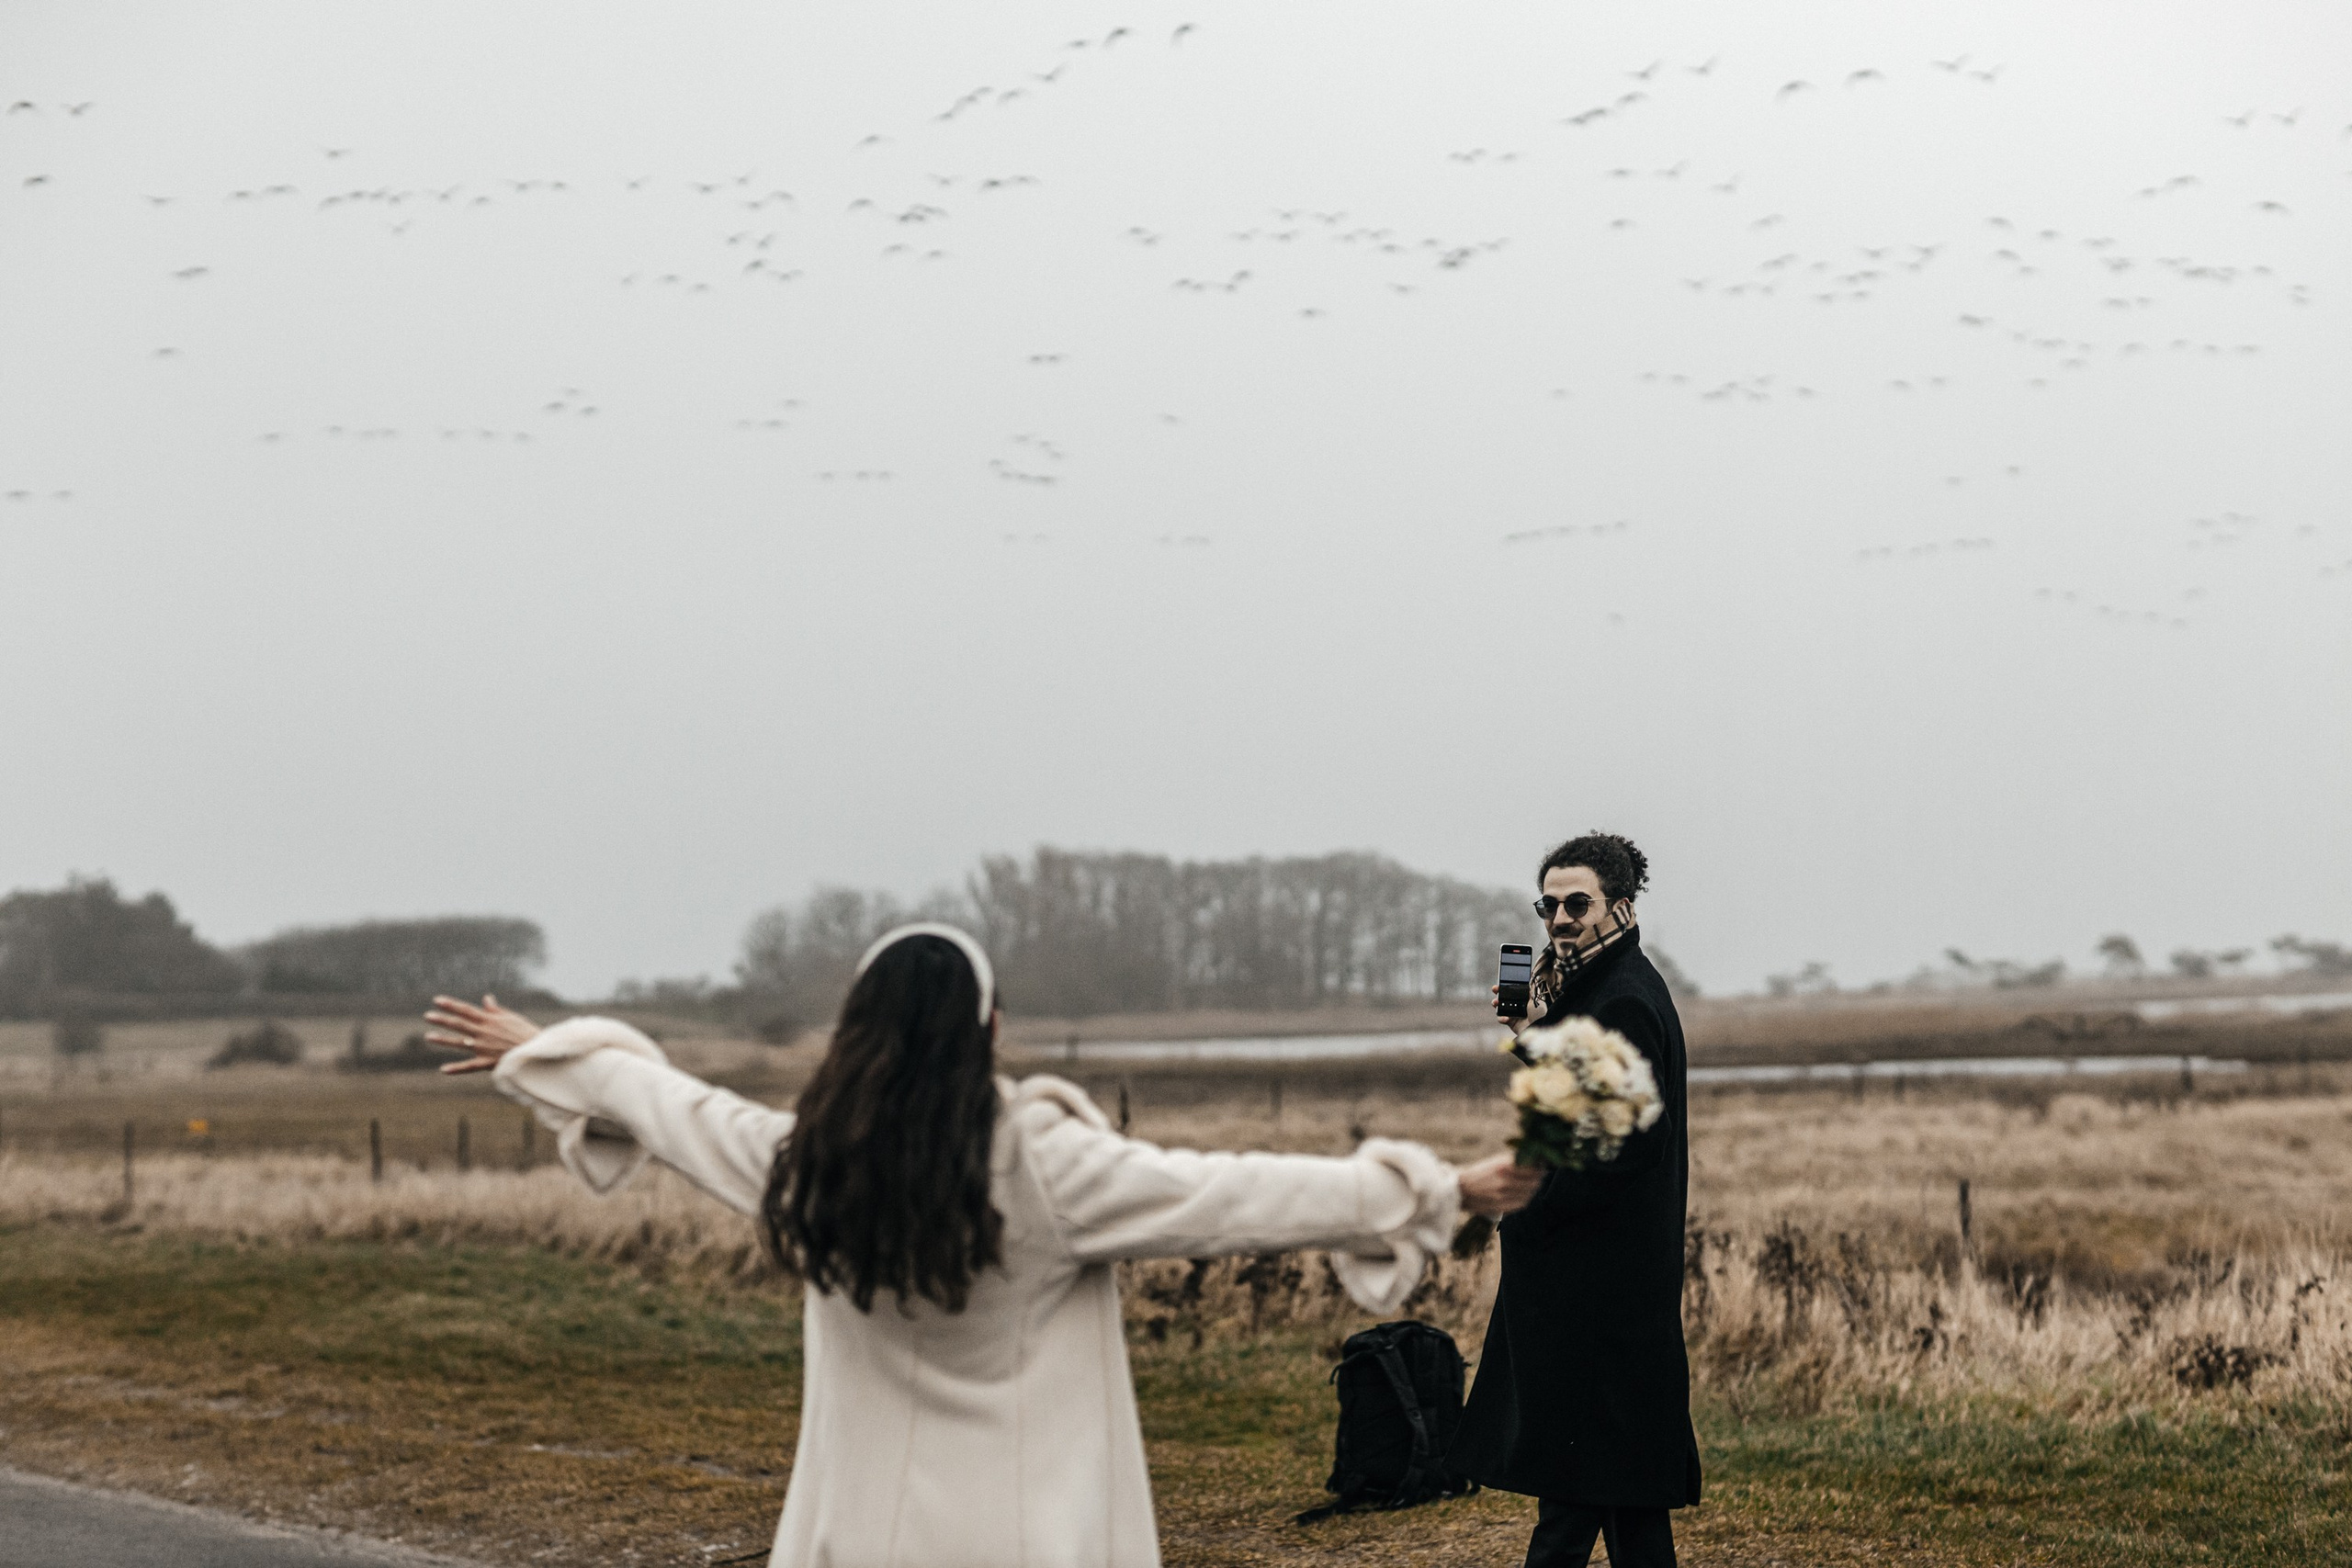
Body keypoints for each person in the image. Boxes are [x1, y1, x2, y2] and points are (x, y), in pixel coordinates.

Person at [424, 921, 1543, 1568]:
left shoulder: (799, 1164)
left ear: (855, 1030)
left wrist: (546, 1051)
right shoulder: (1040, 1167)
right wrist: (1438, 1188)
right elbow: (1236, 1194)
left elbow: (662, 1101)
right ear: (989, 1028)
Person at [1447, 833, 1702, 1568]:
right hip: (1613, 1281)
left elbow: (1621, 1143)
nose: (1559, 918)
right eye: (1549, 904)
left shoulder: (1621, 998)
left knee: (1578, 1489)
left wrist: (1532, 1209)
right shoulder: (1603, 987)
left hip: (1600, 1284)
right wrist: (1531, 1034)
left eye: (1577, 903)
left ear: (1619, 905)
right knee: (1621, 1489)